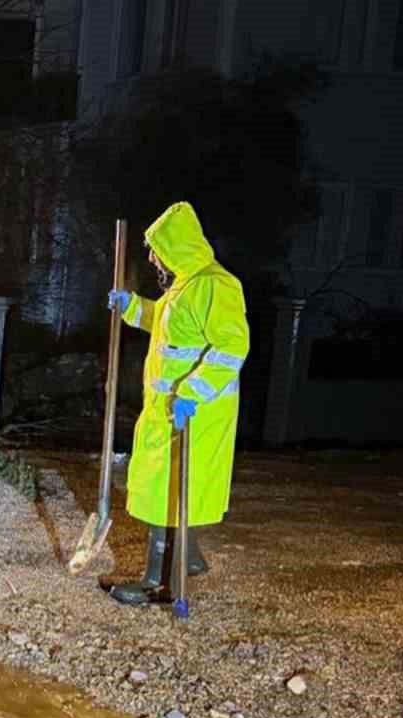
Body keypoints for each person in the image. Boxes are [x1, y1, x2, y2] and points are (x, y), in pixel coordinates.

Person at [105, 201, 249, 606]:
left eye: (158, 252)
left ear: (178, 246)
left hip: (196, 410)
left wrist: (194, 392)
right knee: (168, 485)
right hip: (170, 407)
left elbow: (232, 346)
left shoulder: (216, 285)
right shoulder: (184, 286)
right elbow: (167, 328)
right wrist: (131, 306)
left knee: (164, 490)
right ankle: (190, 558)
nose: (154, 261)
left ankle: (157, 582)